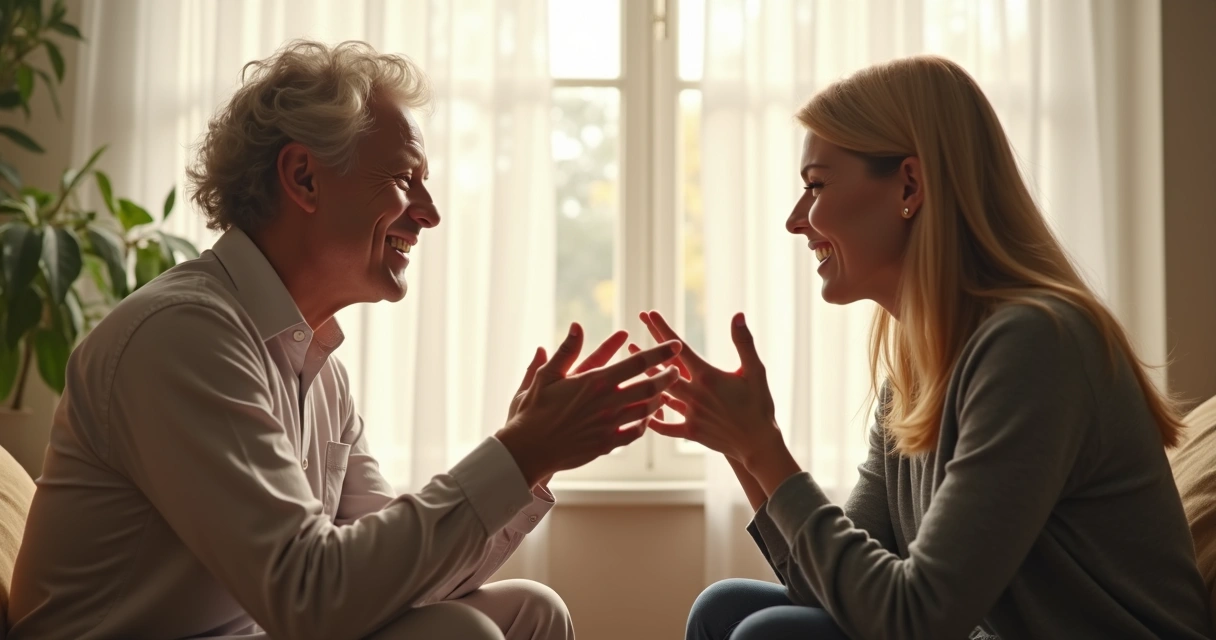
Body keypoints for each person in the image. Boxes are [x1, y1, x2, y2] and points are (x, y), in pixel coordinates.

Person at [7, 39, 681, 640]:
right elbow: (313, 599)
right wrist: (516, 451)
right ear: (303, 178)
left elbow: (383, 577)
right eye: (403, 177)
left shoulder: (315, 363)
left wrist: (532, 460)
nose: (430, 213)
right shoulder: (183, 336)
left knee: (530, 609)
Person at [636, 55, 1214, 639]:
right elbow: (823, 591)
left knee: (768, 635)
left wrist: (763, 450)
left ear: (909, 185)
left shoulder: (1035, 345)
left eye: (815, 185)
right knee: (725, 607)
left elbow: (916, 619)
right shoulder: (920, 365)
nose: (795, 221)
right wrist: (744, 444)